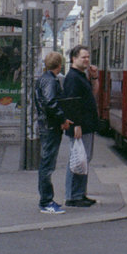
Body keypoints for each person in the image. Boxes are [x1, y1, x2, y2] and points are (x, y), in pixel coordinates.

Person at [61, 45, 99, 208]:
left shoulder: (82, 76)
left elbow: (93, 95)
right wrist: (76, 125)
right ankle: (73, 196)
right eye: (83, 57)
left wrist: (95, 77)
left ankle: (80, 193)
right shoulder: (72, 78)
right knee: (77, 159)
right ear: (73, 59)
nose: (87, 60)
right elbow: (71, 104)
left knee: (83, 159)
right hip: (80, 126)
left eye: (88, 57)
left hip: (86, 125)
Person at [34, 51, 71, 214]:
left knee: (46, 164)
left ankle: (47, 199)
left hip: (45, 125)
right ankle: (46, 201)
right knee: (47, 165)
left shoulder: (43, 79)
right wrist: (62, 119)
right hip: (50, 127)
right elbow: (51, 103)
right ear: (59, 65)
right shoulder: (50, 81)